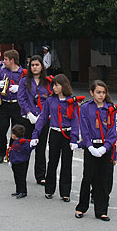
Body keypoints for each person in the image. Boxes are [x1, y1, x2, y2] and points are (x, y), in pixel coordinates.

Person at [31, 74, 80, 202]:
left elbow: (75, 120)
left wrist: (74, 138)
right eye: (53, 85)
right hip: (54, 133)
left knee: (66, 163)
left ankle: (65, 192)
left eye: (57, 85)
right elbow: (43, 117)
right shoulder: (50, 100)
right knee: (52, 162)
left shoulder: (72, 101)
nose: (54, 87)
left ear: (63, 86)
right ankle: (49, 189)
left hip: (67, 134)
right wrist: (35, 134)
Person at [75, 80, 117, 222]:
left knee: (103, 179)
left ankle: (101, 210)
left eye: (103, 92)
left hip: (105, 148)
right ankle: (81, 207)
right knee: (88, 177)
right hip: (91, 146)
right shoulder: (86, 108)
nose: (101, 95)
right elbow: (85, 128)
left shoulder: (111, 109)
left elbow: (113, 132)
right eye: (98, 92)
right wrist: (90, 146)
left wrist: (105, 148)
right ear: (92, 93)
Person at [17, 55, 52, 185]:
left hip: (43, 118)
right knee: (26, 146)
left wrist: (42, 115)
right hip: (28, 118)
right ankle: (21, 176)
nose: (34, 67)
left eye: (37, 65)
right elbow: (21, 99)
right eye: (32, 65)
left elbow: (49, 100)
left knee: (41, 148)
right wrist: (29, 113)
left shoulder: (48, 82)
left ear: (42, 66)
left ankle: (40, 175)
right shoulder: (24, 81)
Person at [0, 49, 25, 164]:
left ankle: (12, 151)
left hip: (17, 104)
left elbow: (29, 88)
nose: (4, 61)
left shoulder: (22, 73)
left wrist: (19, 88)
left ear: (12, 60)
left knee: (16, 130)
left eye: (6, 59)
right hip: (5, 104)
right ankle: (1, 153)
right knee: (1, 129)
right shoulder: (3, 72)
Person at [8, 124, 33, 199]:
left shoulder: (23, 142)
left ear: (15, 135)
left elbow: (28, 149)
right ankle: (18, 190)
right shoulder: (16, 142)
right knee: (16, 176)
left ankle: (23, 191)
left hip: (21, 162)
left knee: (21, 177)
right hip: (15, 161)